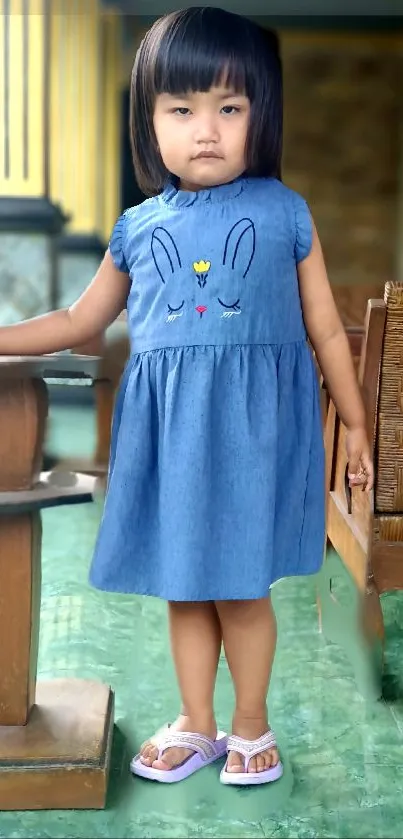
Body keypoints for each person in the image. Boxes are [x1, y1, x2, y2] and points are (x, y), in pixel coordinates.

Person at [0, 6, 374, 787]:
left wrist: (358, 426)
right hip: (170, 436)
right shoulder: (137, 228)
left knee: (239, 586)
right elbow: (79, 320)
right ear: (150, 121)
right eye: (181, 108)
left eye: (228, 108)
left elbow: (327, 333)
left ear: (258, 117)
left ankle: (249, 726)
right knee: (184, 586)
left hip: (253, 433)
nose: (206, 129)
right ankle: (198, 723)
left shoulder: (284, 212)